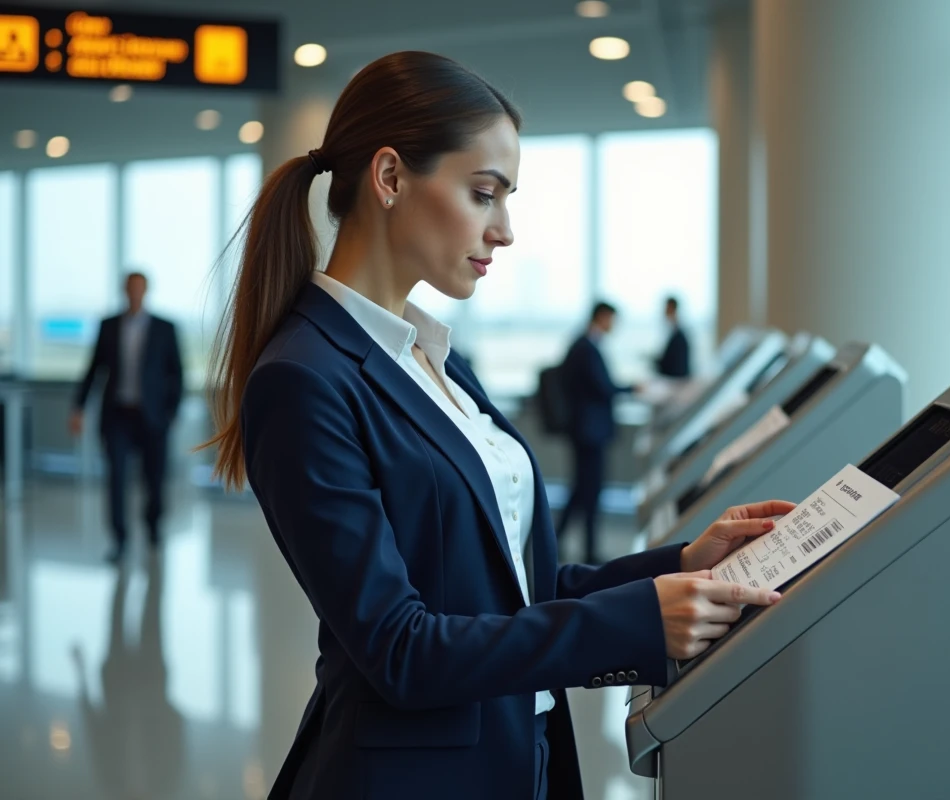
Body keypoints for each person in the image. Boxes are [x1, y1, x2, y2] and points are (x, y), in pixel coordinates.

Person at [202, 51, 791, 800]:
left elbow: (510, 586)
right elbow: (400, 647)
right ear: (389, 178)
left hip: (521, 753)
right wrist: (636, 623)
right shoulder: (303, 377)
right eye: (485, 194)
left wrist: (677, 566)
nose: (504, 230)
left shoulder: (432, 355)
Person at [71, 272, 183, 563]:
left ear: (146, 291)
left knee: (154, 480)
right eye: (130, 288)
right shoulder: (108, 326)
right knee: (116, 479)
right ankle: (119, 540)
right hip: (118, 416)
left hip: (153, 418)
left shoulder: (165, 328)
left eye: (139, 288)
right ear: (124, 290)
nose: (134, 293)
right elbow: (94, 369)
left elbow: (177, 374)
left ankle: (153, 528)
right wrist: (79, 407)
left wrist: (170, 413)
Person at [557, 301, 631, 565]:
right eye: (612, 320)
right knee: (589, 491)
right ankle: (587, 549)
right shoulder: (586, 347)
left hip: (584, 430)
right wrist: (633, 388)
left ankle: (558, 539)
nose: (613, 326)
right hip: (589, 432)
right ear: (602, 317)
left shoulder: (581, 344)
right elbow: (603, 387)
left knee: (581, 489)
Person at [655, 295, 691, 378]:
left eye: (667, 309)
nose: (664, 312)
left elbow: (676, 364)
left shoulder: (679, 334)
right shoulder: (672, 331)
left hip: (676, 380)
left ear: (672, 309)